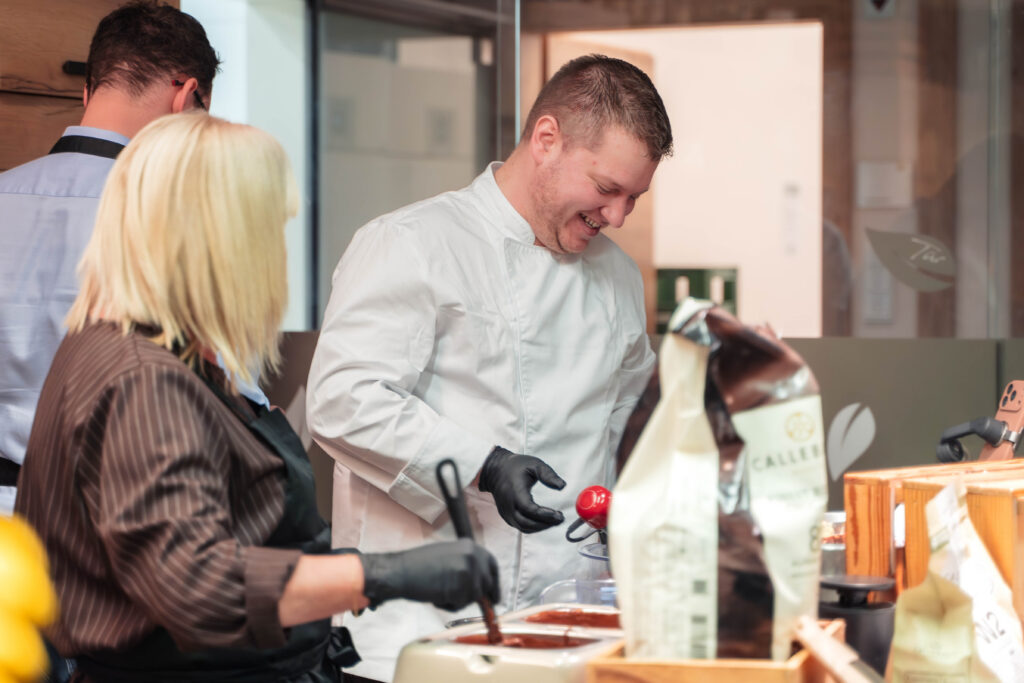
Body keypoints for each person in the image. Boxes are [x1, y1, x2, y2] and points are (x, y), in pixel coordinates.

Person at [14, 113, 500, 682]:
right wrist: (383, 574)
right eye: (270, 227)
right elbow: (197, 587)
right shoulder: (141, 378)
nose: (277, 253)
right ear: (218, 239)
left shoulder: (148, 347)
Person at [307, 54, 673, 681]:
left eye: (633, 198)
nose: (616, 217)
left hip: (563, 622)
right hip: (417, 631)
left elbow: (629, 415)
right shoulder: (413, 242)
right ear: (547, 139)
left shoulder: (616, 274)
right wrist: (486, 464)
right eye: (606, 189)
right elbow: (344, 399)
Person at [0, 0, 221, 515]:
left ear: (87, 92)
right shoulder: (179, 219)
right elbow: (222, 393)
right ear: (185, 96)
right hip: (116, 521)